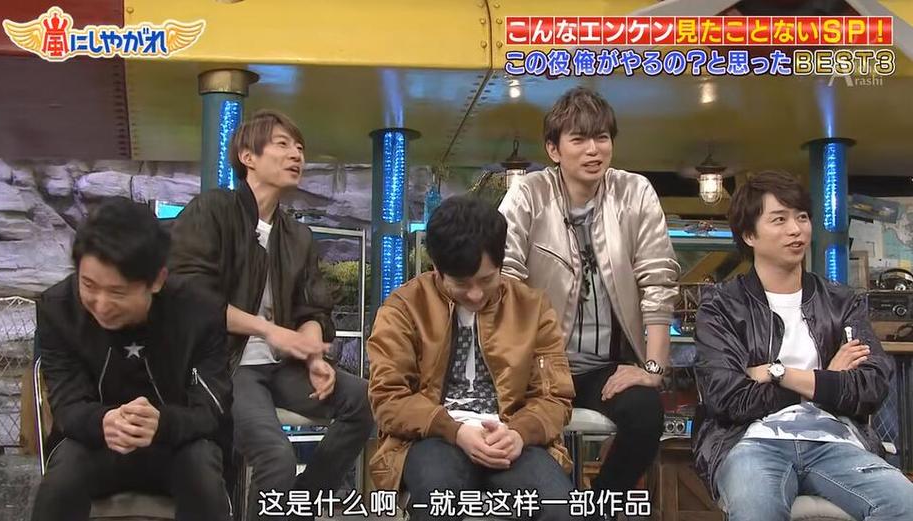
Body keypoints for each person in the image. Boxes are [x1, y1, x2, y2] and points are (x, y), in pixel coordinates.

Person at [168, 109, 373, 519]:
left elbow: (314, 309)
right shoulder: (212, 211)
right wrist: (269, 330)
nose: (296, 154)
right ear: (248, 156)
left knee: (367, 401)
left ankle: (298, 505)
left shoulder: (296, 235)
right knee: (276, 459)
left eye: (300, 148)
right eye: (283, 144)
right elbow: (190, 299)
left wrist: (313, 355)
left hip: (280, 368)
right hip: (224, 367)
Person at [693, 170, 913, 520]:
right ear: (749, 235)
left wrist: (778, 373)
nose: (796, 229)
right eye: (779, 220)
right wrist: (824, 381)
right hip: (751, 441)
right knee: (756, 507)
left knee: (904, 503)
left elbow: (872, 386)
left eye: (802, 217)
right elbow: (728, 398)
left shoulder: (842, 302)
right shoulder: (722, 305)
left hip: (836, 441)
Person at [498, 86, 680, 501]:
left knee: (645, 415)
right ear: (554, 149)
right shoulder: (528, 194)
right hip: (538, 366)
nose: (593, 150)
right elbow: (503, 281)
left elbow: (658, 282)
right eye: (579, 139)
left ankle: (598, 507)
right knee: (516, 438)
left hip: (608, 368)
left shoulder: (635, 192)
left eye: (602, 138)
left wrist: (652, 369)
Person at [367, 196, 583, 521]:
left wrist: (519, 433)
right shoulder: (404, 307)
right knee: (437, 497)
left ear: (501, 263)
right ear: (436, 268)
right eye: (461, 283)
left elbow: (555, 397)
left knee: (562, 508)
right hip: (431, 437)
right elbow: (387, 398)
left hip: (511, 436)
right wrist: (454, 430)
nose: (476, 294)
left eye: (486, 279)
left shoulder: (532, 307)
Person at [32, 197, 232, 521]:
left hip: (176, 446)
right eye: (88, 285)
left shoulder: (200, 311)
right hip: (95, 444)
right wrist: (103, 421)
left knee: (202, 470)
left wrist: (162, 423)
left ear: (158, 280)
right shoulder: (58, 309)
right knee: (63, 477)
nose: (100, 304)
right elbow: (67, 406)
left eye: (118, 292)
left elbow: (211, 411)